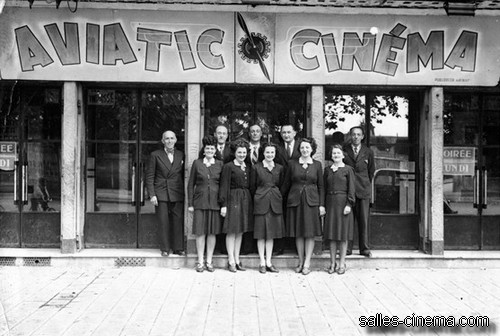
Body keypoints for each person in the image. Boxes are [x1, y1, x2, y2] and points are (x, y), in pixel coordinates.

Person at [281, 137, 325, 275]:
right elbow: (286, 183)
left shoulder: (317, 165)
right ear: (299, 149)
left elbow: (321, 187)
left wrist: (321, 205)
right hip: (295, 201)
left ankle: (307, 263)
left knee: (309, 233)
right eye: (302, 148)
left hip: (312, 202)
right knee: (298, 233)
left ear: (312, 149)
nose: (304, 150)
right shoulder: (292, 164)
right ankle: (300, 261)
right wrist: (279, 198)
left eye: (307, 147)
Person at [146, 130, 185, 257]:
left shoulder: (181, 154)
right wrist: (152, 194)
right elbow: (150, 176)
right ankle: (165, 248)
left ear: (175, 140)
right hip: (161, 192)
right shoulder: (155, 155)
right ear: (163, 141)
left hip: (176, 191)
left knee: (177, 220)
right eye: (167, 139)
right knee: (163, 221)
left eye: (172, 138)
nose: (169, 141)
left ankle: (178, 247)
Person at [187, 135, 223, 272]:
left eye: (212, 149)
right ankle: (200, 261)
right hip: (200, 203)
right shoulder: (197, 163)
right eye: (207, 148)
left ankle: (209, 261)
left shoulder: (220, 164)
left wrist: (222, 203)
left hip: (215, 203)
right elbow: (191, 184)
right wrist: (190, 203)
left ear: (215, 150)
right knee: (200, 233)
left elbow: (223, 185)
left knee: (212, 233)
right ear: (204, 150)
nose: (209, 150)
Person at [250, 143, 285, 274]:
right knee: (261, 233)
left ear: (275, 154)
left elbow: (281, 184)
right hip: (261, 201)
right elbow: (252, 186)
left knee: (271, 234)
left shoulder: (280, 168)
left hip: (275, 202)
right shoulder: (256, 167)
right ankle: (262, 262)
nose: (270, 155)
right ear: (263, 153)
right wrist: (260, 195)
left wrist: (275, 195)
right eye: (267, 152)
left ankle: (269, 261)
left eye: (272, 152)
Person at [219, 139, 253, 272]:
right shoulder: (228, 166)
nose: (242, 155)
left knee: (240, 231)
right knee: (231, 230)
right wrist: (224, 204)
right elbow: (224, 186)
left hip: (245, 200)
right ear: (234, 153)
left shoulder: (247, 166)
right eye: (239, 152)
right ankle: (231, 260)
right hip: (232, 199)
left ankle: (237, 259)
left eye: (244, 152)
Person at [343, 126, 375, 257]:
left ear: (362, 136)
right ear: (350, 136)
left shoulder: (368, 152)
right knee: (348, 221)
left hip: (363, 190)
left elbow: (371, 171)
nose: (356, 137)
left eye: (358, 134)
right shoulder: (344, 151)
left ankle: (364, 248)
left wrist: (364, 184)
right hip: (347, 190)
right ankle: (348, 248)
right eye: (353, 134)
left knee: (363, 221)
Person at [323, 144, 355, 275]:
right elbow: (324, 189)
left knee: (342, 235)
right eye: (333, 153)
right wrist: (323, 205)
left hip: (343, 205)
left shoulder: (348, 170)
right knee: (332, 236)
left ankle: (342, 263)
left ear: (343, 155)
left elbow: (352, 189)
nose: (335, 155)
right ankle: (332, 263)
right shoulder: (327, 170)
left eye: (338, 153)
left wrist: (349, 204)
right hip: (330, 204)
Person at [274, 124, 301, 255]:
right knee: (282, 217)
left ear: (294, 133)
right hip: (282, 187)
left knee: (297, 217)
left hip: (297, 187)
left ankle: (296, 246)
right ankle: (280, 246)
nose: (286, 135)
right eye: (283, 132)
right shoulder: (277, 148)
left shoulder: (301, 147)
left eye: (289, 132)